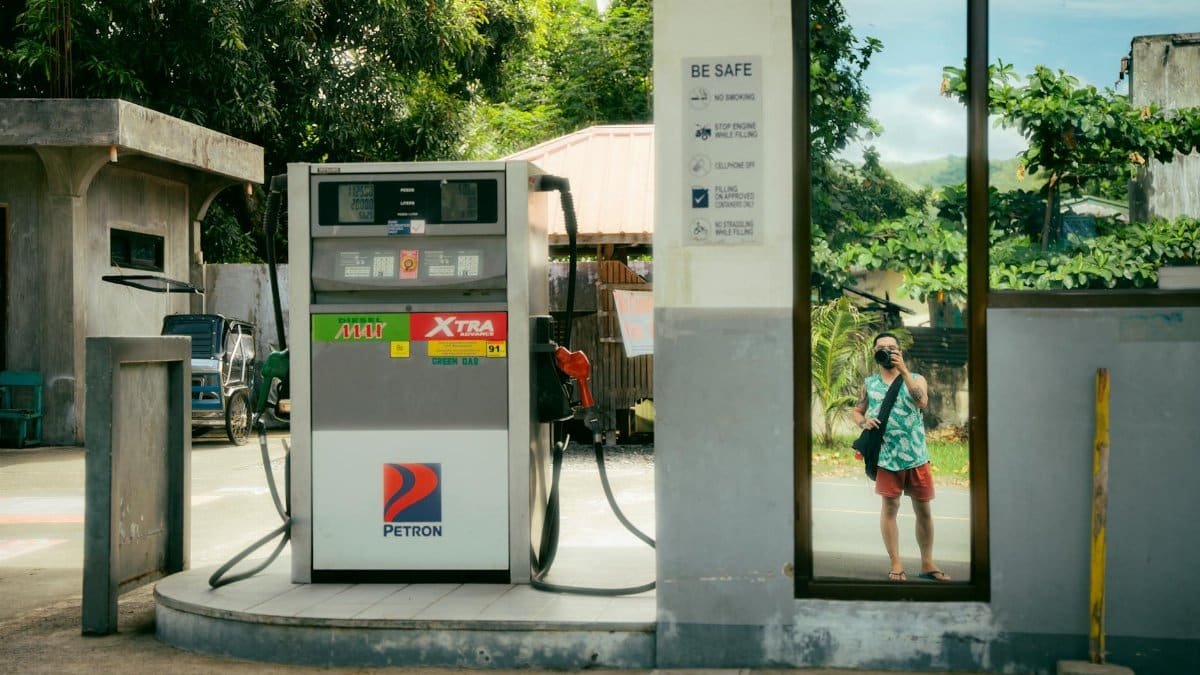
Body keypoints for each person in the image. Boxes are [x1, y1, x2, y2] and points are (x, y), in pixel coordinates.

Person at [851, 332, 949, 582]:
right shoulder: (869, 383)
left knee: (923, 509)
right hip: (886, 456)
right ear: (875, 353)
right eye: (881, 348)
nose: (886, 351)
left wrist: (904, 371)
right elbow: (857, 410)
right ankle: (896, 563)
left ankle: (927, 563)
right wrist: (864, 422)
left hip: (916, 455)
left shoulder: (916, 378)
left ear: (899, 352)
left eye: (891, 347)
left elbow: (922, 402)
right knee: (890, 508)